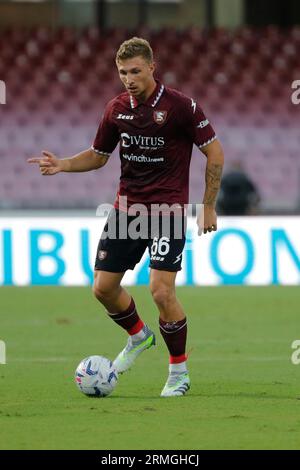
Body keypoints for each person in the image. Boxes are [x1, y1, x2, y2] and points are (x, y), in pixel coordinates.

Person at [28, 37, 224, 397]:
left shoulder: (182, 107)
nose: (129, 78)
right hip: (126, 211)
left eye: (135, 71)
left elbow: (215, 153)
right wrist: (63, 165)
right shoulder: (116, 108)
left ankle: (178, 372)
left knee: (161, 293)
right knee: (103, 288)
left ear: (152, 66)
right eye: (122, 72)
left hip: (167, 211)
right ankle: (138, 336)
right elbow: (99, 155)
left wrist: (208, 205)